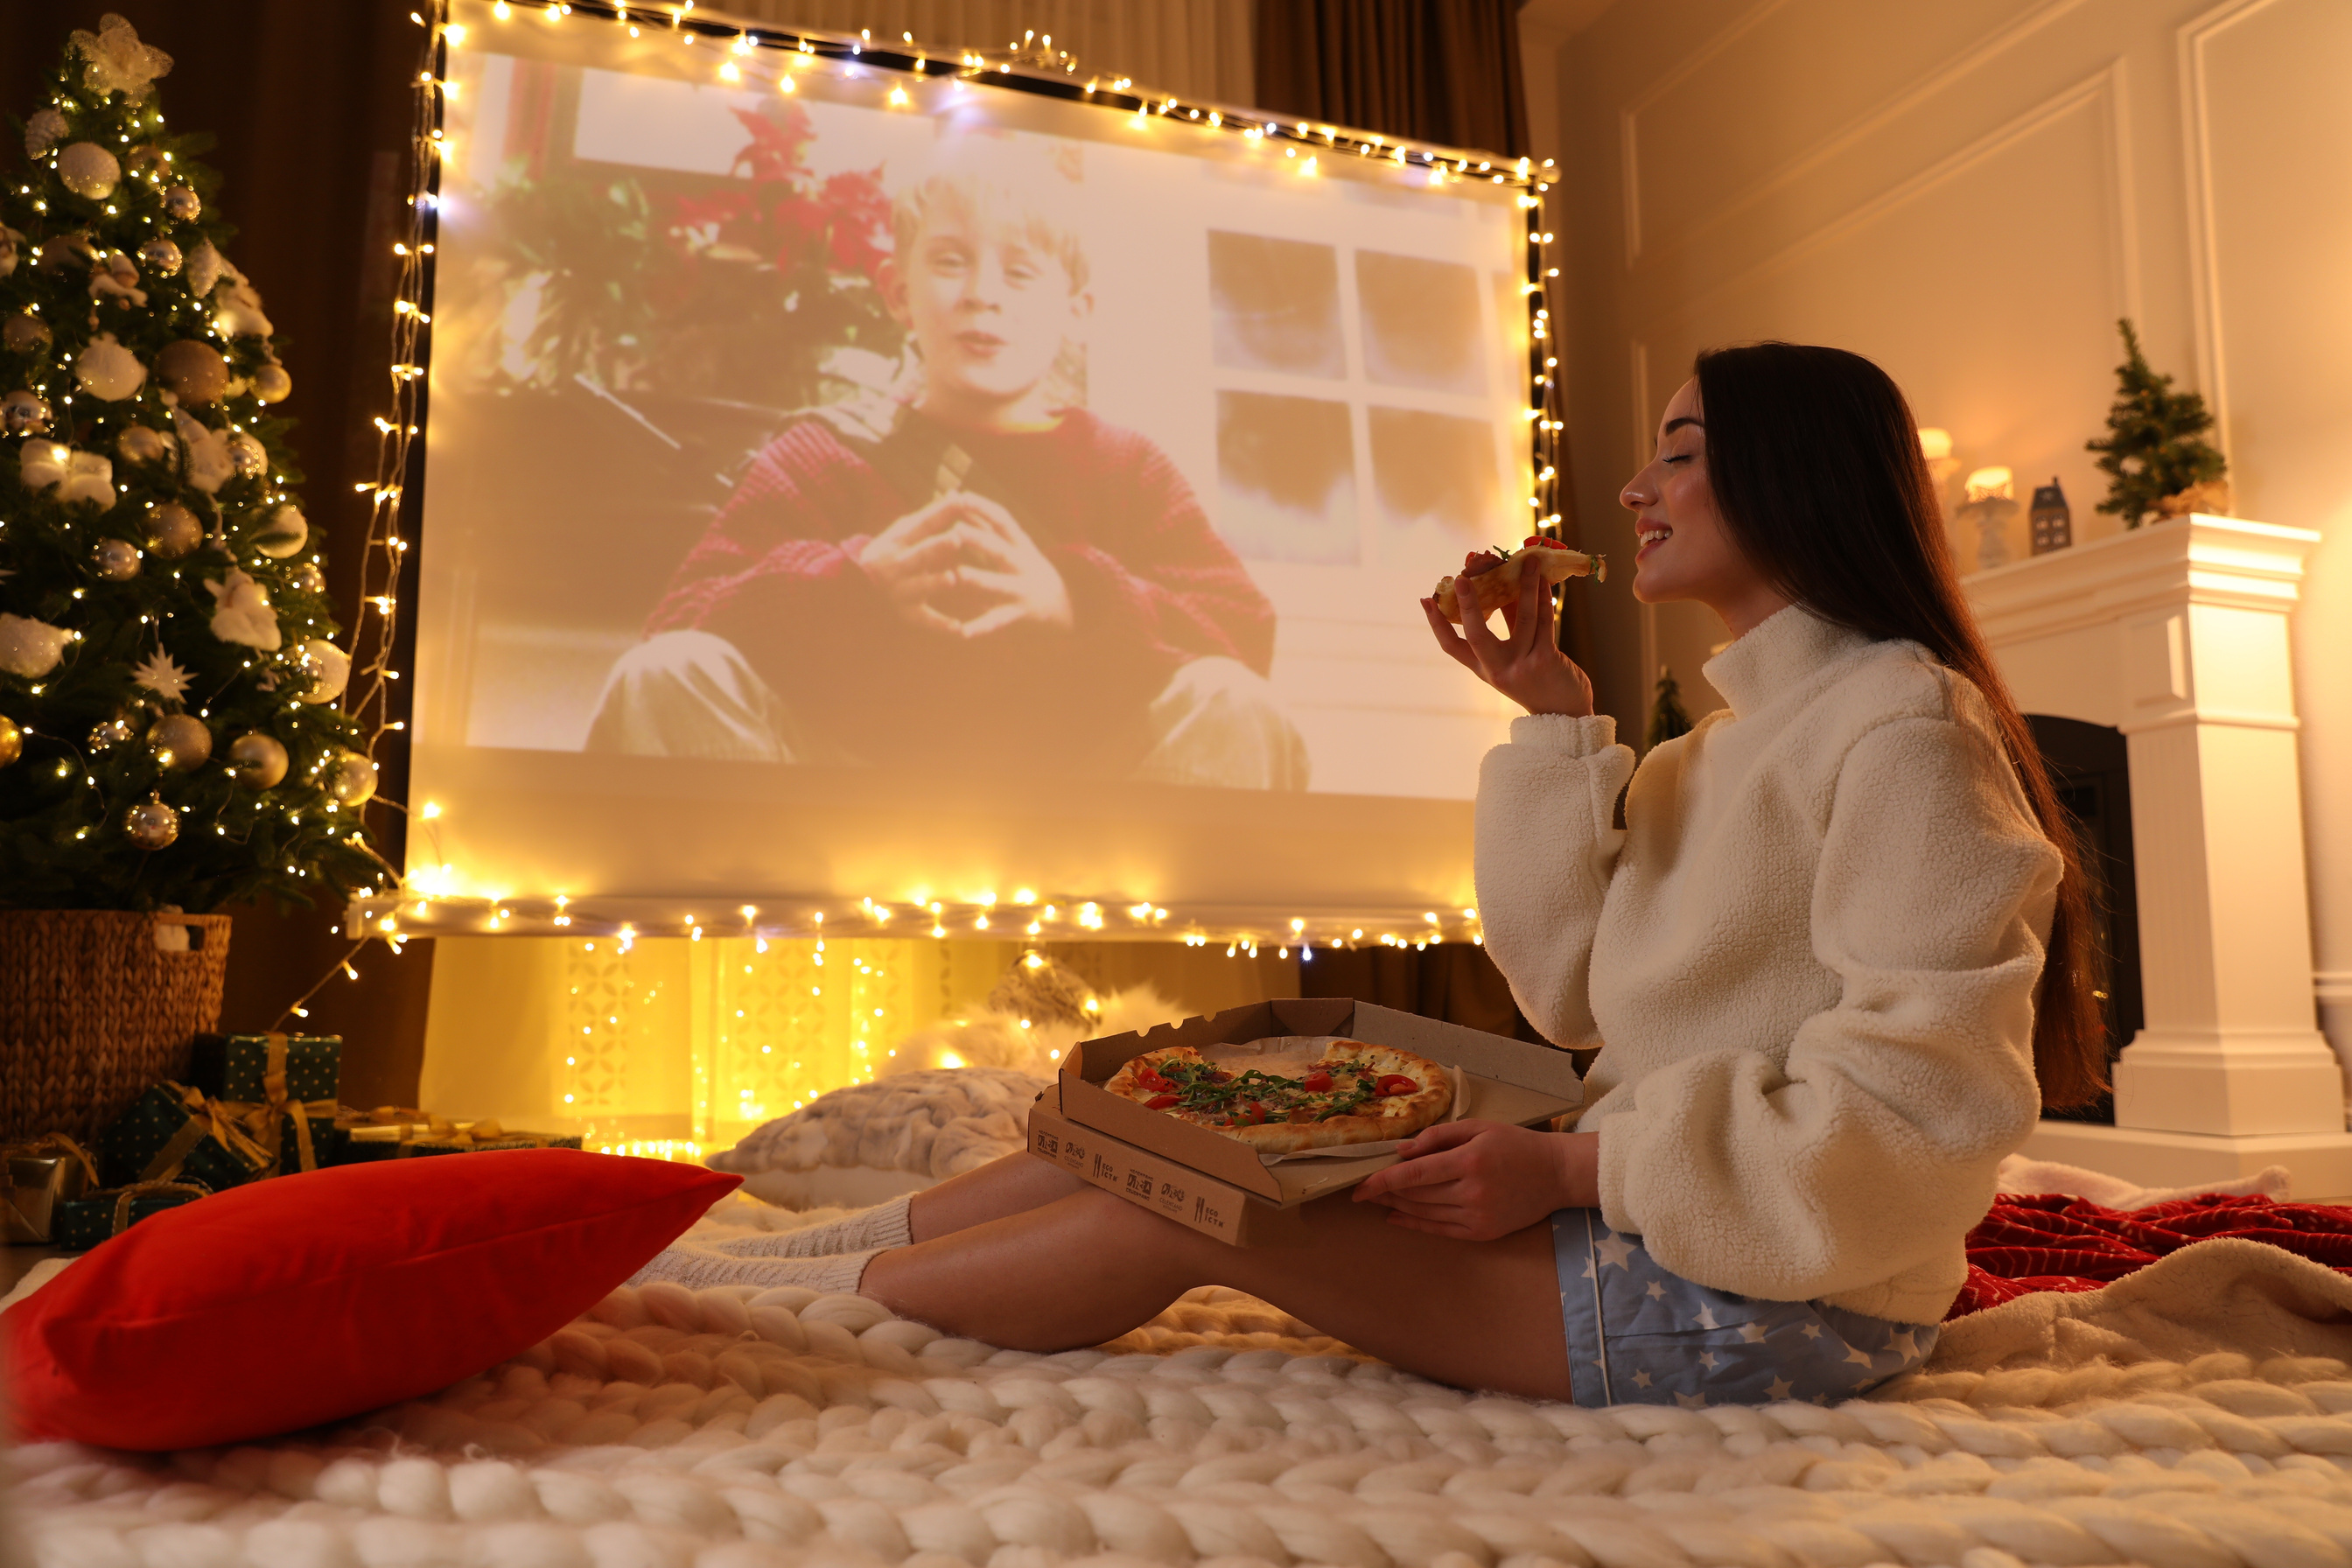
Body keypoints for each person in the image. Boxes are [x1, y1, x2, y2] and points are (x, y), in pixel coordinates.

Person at [640, 343, 2103, 1407]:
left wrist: (1576, 1167)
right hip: (1654, 1218)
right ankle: (807, 1247)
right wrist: (1546, 713)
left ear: (1791, 470)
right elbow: (1567, 989)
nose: (1632, 484)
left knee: (1200, 1196)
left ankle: (780, 1300)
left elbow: (1927, 1098)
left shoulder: (1901, 724)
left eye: (1677, 447)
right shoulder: (1717, 744)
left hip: (1777, 1302)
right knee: (1215, 1092)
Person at [585, 134, 1307, 788]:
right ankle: (763, 917)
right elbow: (676, 625)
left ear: (1077, 311)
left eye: (1020, 273)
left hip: (1086, 823)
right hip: (834, 812)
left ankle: (1132, 932)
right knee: (664, 676)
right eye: (951, 261)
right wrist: (852, 582)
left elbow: (1242, 632)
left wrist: (1075, 602)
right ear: (898, 293)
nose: (982, 295)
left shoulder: (1125, 468)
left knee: (1235, 704)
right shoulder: (820, 457)